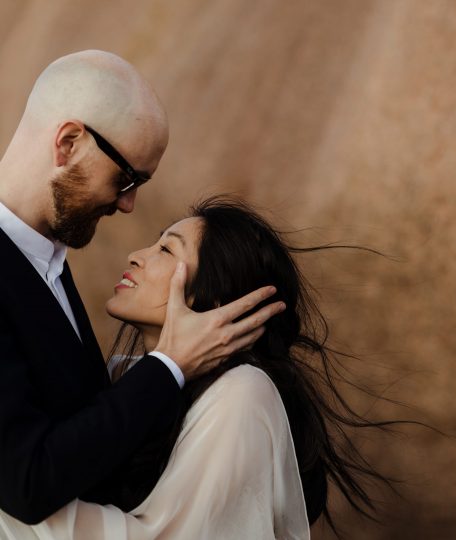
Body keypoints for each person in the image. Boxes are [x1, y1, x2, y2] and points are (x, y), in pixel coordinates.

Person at [0, 197, 397, 539]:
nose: (137, 255)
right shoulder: (129, 379)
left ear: (215, 301)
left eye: (167, 251)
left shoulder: (242, 393)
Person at [0, 51, 284, 527]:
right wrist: (168, 366)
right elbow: (26, 484)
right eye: (127, 178)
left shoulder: (48, 264)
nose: (129, 204)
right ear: (68, 143)